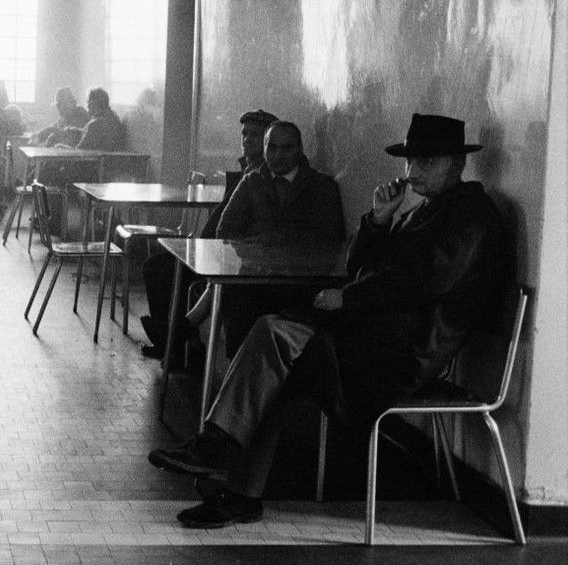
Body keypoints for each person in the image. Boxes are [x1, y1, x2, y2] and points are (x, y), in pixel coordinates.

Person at [148, 114, 509, 529]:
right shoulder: (424, 211)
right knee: (272, 347)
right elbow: (362, 268)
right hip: (377, 339)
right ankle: (230, 474)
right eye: (410, 161)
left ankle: (221, 457)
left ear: (458, 165)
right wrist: (377, 220)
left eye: (427, 162)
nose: (413, 171)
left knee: (273, 340)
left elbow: (423, 282)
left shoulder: (470, 215)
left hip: (407, 356)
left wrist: (347, 299)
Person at [138, 109, 276, 358]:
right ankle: (170, 343)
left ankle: (174, 343)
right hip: (213, 249)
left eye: (255, 135)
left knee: (167, 271)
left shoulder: (263, 178)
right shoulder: (245, 172)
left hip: (228, 255)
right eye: (244, 134)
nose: (247, 139)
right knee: (155, 266)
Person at [201, 120, 345, 355]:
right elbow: (224, 230)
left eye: (287, 148)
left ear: (300, 149)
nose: (278, 155)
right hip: (254, 277)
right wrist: (256, 250)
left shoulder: (321, 186)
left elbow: (330, 238)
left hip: (301, 281)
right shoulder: (251, 182)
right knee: (234, 295)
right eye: (272, 148)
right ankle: (239, 373)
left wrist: (278, 241)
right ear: (265, 150)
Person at [72, 87, 127, 152]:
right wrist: (77, 131)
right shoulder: (114, 118)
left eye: (88, 102)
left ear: (94, 103)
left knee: (59, 146)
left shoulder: (95, 125)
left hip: (95, 160)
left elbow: (78, 151)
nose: (87, 106)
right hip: (111, 159)